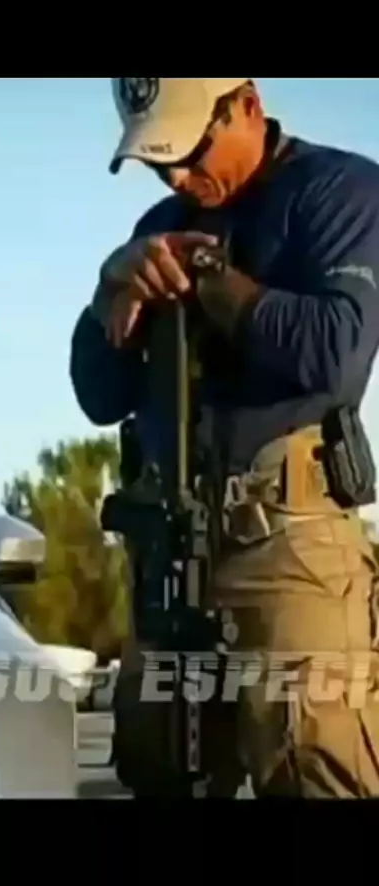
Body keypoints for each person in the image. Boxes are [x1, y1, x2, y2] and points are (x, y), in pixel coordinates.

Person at [69, 78, 379, 798]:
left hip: (287, 545)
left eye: (189, 152)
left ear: (247, 106)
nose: (177, 178)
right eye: (158, 162)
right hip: (169, 550)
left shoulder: (338, 192)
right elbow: (99, 396)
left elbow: (337, 351)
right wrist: (108, 294)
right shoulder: (156, 227)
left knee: (314, 770)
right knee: (159, 767)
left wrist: (208, 275)